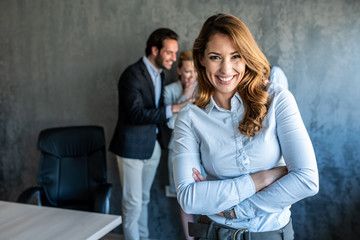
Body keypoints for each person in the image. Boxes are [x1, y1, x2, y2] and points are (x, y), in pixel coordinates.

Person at [173, 14, 319, 240]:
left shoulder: (278, 100)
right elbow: (188, 197)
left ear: (247, 57)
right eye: (215, 57)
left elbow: (307, 180)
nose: (226, 69)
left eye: (236, 56)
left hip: (271, 234)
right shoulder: (189, 117)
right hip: (214, 234)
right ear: (201, 58)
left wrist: (233, 210)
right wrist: (263, 178)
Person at [109, 28, 190, 240]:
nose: (174, 57)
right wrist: (175, 108)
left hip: (152, 145)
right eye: (169, 52)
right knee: (132, 203)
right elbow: (136, 114)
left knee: (144, 199)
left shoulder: (160, 75)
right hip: (131, 148)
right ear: (154, 50)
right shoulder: (132, 74)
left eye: (175, 53)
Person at [163, 50, 197, 240]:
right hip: (176, 150)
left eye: (194, 71)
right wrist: (185, 95)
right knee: (184, 201)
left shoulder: (204, 89)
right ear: (179, 71)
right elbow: (169, 123)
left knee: (206, 196)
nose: (191, 76)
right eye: (187, 71)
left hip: (200, 150)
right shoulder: (170, 91)